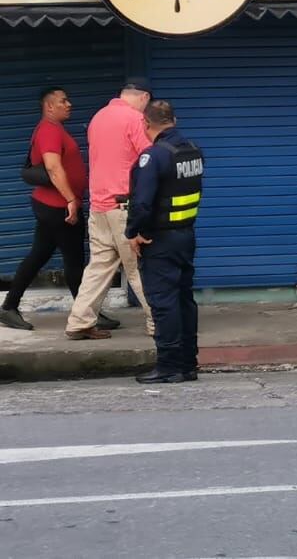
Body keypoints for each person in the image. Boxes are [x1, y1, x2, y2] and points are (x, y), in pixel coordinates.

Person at [65, 79, 156, 341]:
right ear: (144, 97)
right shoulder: (134, 119)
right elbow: (149, 159)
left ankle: (79, 321)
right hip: (123, 206)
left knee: (99, 266)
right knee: (140, 267)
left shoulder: (98, 117)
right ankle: (159, 322)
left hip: (99, 206)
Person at [127, 100, 204, 384]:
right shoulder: (193, 151)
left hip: (159, 240)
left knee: (163, 302)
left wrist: (133, 232)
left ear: (146, 124)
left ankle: (169, 365)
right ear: (175, 119)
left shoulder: (154, 156)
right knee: (184, 299)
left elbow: (142, 203)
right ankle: (188, 363)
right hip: (186, 235)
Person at [0, 87, 89, 332]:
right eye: (63, 101)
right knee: (74, 260)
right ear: (49, 106)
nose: (69, 104)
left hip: (50, 205)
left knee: (38, 255)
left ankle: (8, 307)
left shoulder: (54, 128)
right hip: (58, 207)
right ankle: (87, 315)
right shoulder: (49, 130)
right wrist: (71, 199)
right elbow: (52, 167)